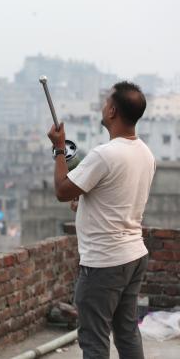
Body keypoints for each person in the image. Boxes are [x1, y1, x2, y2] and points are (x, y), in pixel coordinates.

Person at [47, 81, 155, 359]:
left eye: (106, 102)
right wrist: (83, 202)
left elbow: (61, 190)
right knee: (127, 332)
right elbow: (114, 197)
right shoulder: (145, 152)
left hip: (105, 262)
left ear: (113, 111)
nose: (102, 106)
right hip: (134, 254)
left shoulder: (105, 154)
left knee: (93, 339)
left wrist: (59, 149)